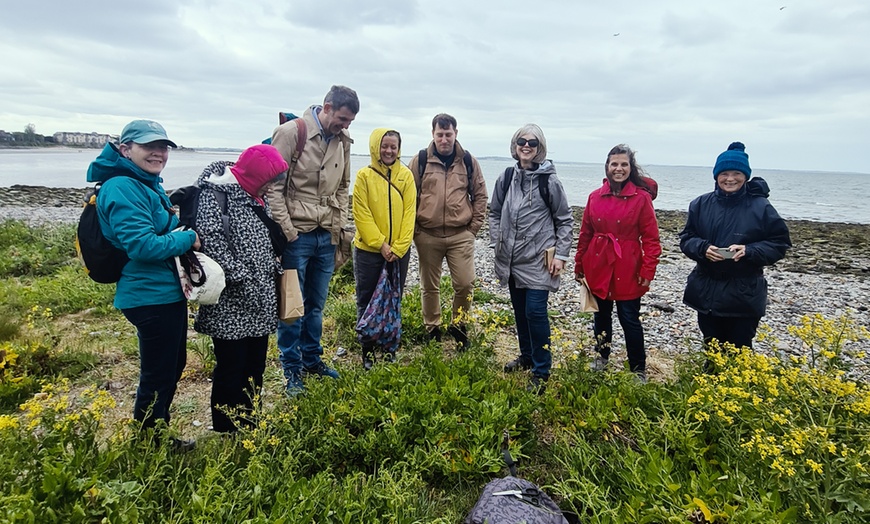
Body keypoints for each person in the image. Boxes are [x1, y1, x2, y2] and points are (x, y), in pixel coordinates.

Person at [86, 120, 199, 449]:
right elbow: (142, 246)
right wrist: (188, 238)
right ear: (125, 149)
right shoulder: (122, 187)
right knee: (158, 371)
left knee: (171, 365)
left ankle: (156, 431)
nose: (159, 153)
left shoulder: (144, 183)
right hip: (148, 296)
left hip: (164, 291)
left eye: (163, 147)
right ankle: (150, 441)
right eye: (149, 146)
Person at [266, 85, 359, 395]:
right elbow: (273, 188)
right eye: (342, 118)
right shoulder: (291, 132)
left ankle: (311, 360)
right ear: (327, 107)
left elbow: (344, 187)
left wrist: (340, 227)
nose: (345, 125)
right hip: (297, 237)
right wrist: (288, 231)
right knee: (292, 307)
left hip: (326, 236)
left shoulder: (344, 140)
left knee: (316, 307)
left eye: (350, 121)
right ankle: (291, 370)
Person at [193, 145, 289, 433]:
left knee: (255, 366)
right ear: (254, 174)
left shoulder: (257, 198)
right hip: (231, 302)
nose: (271, 186)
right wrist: (243, 278)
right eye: (268, 179)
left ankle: (250, 419)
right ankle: (226, 428)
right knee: (230, 367)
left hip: (260, 300)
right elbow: (212, 243)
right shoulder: (215, 196)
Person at [679, 142, 791, 352]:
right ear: (716, 176)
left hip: (743, 294)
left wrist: (749, 251)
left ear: (746, 176)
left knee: (740, 351)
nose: (730, 179)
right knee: (712, 348)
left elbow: (780, 243)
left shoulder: (761, 207)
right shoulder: (700, 204)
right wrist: (703, 248)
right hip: (707, 291)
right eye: (725, 173)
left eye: (736, 173)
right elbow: (686, 238)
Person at [490, 124, 573, 393]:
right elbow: (494, 212)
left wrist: (560, 255)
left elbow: (565, 220)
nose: (526, 146)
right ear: (515, 146)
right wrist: (497, 240)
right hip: (512, 260)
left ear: (540, 149)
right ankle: (526, 356)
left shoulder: (550, 182)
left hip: (539, 261)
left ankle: (541, 370)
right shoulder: (505, 177)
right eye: (522, 141)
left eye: (533, 143)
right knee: (519, 312)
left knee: (535, 312)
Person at [574, 144, 661, 381]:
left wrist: (648, 269)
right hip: (598, 263)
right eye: (614, 164)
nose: (619, 169)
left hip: (628, 266)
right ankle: (602, 358)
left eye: (624, 164)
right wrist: (579, 265)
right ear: (607, 167)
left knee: (629, 318)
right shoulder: (594, 197)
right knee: (600, 316)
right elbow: (585, 234)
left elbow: (652, 239)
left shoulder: (641, 199)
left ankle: (638, 369)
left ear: (630, 168)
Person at [407, 113, 487, 349]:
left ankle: (459, 324)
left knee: (465, 283)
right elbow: (408, 196)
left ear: (456, 134)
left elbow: (480, 195)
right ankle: (432, 327)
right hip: (427, 234)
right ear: (433, 134)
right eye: (440, 134)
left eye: (448, 134)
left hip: (460, 234)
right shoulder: (420, 160)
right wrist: (414, 230)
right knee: (429, 286)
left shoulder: (469, 161)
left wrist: (473, 229)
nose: (444, 139)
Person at [352, 129, 417, 370]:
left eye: (393, 147)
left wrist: (399, 247)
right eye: (384, 146)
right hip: (369, 251)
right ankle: (367, 348)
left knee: (393, 298)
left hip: (398, 252)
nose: (389, 151)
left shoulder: (406, 176)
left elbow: (411, 212)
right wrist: (381, 244)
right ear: (375, 147)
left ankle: (389, 345)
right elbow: (361, 214)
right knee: (367, 298)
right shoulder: (363, 176)